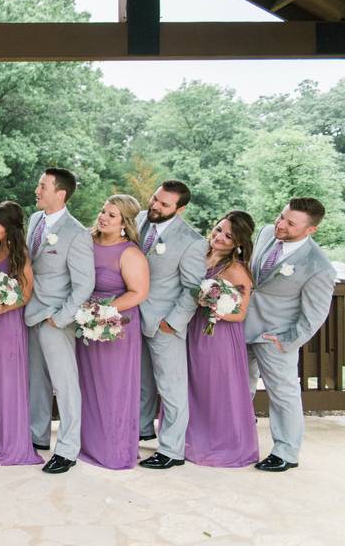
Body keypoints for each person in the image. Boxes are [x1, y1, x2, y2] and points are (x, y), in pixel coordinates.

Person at [245, 198, 336, 472]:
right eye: (281, 216)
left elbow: (315, 315)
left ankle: (286, 452)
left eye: (290, 223)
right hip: (241, 328)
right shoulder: (264, 234)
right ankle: (236, 435)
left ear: (311, 230)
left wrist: (287, 340)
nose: (280, 224)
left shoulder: (318, 266)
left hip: (275, 337)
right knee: (239, 386)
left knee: (283, 394)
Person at [25, 167, 95, 474]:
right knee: (36, 381)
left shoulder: (77, 233)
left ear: (60, 193)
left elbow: (84, 284)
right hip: (30, 314)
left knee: (65, 385)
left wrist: (60, 318)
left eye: (43, 186)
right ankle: (37, 436)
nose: (37, 190)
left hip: (56, 320)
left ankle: (67, 449)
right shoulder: (34, 220)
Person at [137, 180, 207, 470]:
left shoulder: (192, 241)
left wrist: (172, 323)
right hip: (131, 319)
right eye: (155, 199)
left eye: (164, 204)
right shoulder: (140, 219)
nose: (155, 206)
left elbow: (193, 288)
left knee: (171, 388)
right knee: (139, 384)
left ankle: (171, 451)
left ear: (180, 209)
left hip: (164, 324)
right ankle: (139, 432)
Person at [77, 195, 149, 470]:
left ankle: (114, 450)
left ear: (125, 223)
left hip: (117, 326)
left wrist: (102, 311)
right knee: (87, 384)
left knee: (114, 387)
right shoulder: (85, 241)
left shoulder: (129, 252)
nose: (103, 217)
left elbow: (139, 293)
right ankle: (88, 444)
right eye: (103, 211)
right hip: (86, 324)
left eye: (112, 215)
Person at [184, 211, 258, 468]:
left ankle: (223, 444)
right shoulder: (198, 256)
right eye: (218, 230)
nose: (219, 237)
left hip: (219, 335)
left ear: (238, 243)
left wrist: (216, 308)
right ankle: (194, 439)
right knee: (194, 386)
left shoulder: (236, 270)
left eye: (228, 236)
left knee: (217, 389)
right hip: (192, 329)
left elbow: (240, 313)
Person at [0, 201, 42, 467]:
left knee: (8, 381)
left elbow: (26, 294)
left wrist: (3, 306)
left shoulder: (20, 255)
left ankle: (12, 442)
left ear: (9, 229)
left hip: (8, 323)